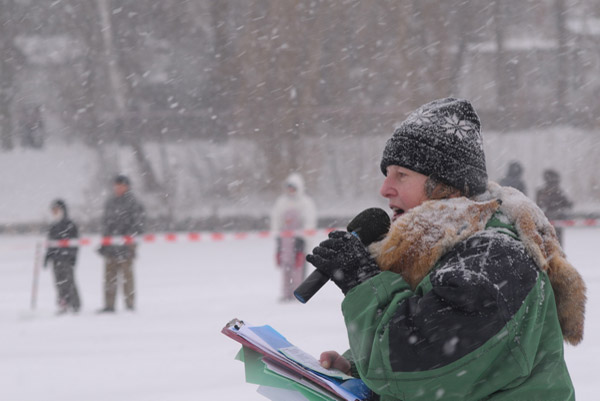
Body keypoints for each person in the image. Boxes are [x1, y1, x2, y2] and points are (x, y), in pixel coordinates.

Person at [307, 98, 586, 400]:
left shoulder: (493, 258)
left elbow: (420, 365)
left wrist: (363, 283)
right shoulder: (452, 251)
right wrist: (359, 371)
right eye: (387, 174)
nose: (385, 188)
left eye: (401, 175)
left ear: (446, 185)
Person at [97, 175, 145, 313]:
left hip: (126, 245)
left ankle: (129, 305)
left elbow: (138, 224)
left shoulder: (133, 203)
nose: (117, 188)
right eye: (116, 186)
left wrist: (129, 239)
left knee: (127, 276)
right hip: (111, 246)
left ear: (127, 187)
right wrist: (105, 241)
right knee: (109, 277)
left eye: (120, 186)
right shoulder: (110, 203)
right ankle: (109, 305)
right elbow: (106, 223)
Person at [270, 173, 317, 302]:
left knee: (298, 268)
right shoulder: (281, 202)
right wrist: (278, 237)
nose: (291, 191)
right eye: (289, 187)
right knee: (286, 268)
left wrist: (304, 239)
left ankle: (297, 294)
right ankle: (286, 293)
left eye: (293, 188)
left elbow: (309, 222)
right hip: (285, 243)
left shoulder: (306, 202)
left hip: (299, 242)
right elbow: (276, 220)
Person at [44, 199, 81, 314]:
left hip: (66, 258)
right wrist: (47, 256)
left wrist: (72, 256)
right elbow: (50, 243)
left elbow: (75, 242)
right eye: (53, 210)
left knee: (69, 281)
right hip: (55, 259)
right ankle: (63, 304)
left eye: (56, 209)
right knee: (58, 283)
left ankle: (75, 304)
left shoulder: (69, 224)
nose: (54, 212)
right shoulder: (53, 225)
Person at [536, 169, 573, 246]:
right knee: (558, 244)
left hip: (545, 221)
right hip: (556, 220)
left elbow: (538, 205)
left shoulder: (541, 191)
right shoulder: (558, 190)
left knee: (546, 243)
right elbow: (567, 204)